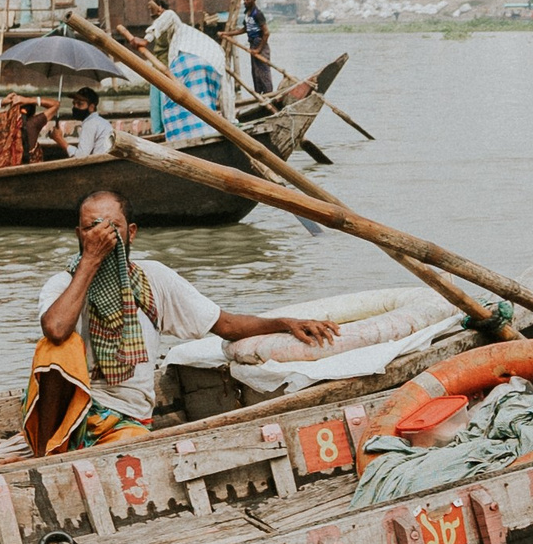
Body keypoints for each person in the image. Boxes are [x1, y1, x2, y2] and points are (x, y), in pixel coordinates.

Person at [24, 190, 342, 454]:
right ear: (80, 235)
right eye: (92, 228)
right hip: (69, 420)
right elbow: (55, 329)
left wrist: (284, 323)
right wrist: (90, 261)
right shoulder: (61, 284)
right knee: (54, 348)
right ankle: (46, 453)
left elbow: (225, 325)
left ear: (131, 232)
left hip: (124, 420)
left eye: (112, 228)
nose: (103, 237)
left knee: (130, 447)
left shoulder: (154, 279)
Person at [119, 0, 225, 146]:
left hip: (168, 72)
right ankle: (159, 137)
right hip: (157, 72)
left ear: (161, 7)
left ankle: (167, 137)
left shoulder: (169, 18)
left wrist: (145, 40)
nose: (150, 10)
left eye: (153, 7)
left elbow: (167, 18)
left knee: (167, 107)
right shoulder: (159, 24)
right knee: (156, 108)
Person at [53, 86, 114, 158]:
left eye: (80, 104)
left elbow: (81, 156)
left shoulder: (90, 123)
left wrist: (59, 140)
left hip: (100, 164)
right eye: (74, 103)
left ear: (91, 107)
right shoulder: (101, 121)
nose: (75, 107)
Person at [240, 0, 272, 93]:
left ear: (254, 0)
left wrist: (258, 49)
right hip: (253, 44)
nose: (245, 1)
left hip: (260, 44)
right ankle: (259, 96)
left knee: (263, 72)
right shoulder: (247, 13)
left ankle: (269, 95)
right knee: (256, 73)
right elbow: (245, 29)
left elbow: (266, 33)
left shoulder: (257, 14)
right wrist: (226, 34)